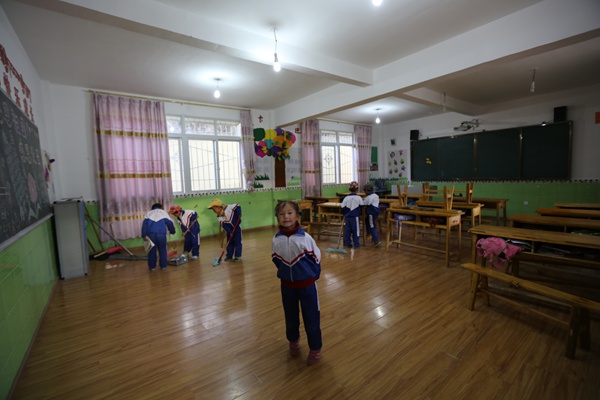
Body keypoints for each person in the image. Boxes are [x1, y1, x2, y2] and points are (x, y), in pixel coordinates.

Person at [272, 201, 322, 366]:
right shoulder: (276, 240)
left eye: (290, 212)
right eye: (281, 213)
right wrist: (287, 274)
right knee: (290, 317)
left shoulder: (305, 238)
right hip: (287, 287)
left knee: (311, 317)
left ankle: (315, 348)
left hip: (307, 286)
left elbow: (316, 258)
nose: (285, 217)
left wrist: (311, 276)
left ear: (298, 215)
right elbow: (276, 259)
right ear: (277, 217)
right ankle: (293, 340)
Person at [141, 203, 176, 271]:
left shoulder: (148, 213)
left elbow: (144, 225)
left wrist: (143, 235)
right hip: (161, 235)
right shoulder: (163, 213)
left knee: (151, 251)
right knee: (162, 250)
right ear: (161, 207)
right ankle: (163, 266)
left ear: (152, 208)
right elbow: (169, 223)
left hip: (151, 235)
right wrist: (172, 231)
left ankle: (152, 267)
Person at [341, 181, 364, 248]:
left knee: (347, 230)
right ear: (357, 189)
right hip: (355, 216)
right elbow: (362, 206)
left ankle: (348, 243)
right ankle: (356, 244)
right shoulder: (359, 197)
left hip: (347, 216)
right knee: (356, 230)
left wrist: (344, 212)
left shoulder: (346, 198)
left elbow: (342, 207)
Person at [363, 183, 381, 247]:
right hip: (375, 212)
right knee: (367, 220)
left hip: (371, 213)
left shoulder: (369, 197)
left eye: (365, 190)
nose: (364, 192)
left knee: (372, 225)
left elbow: (364, 203)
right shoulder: (375, 195)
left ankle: (376, 240)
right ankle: (369, 234)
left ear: (367, 190)